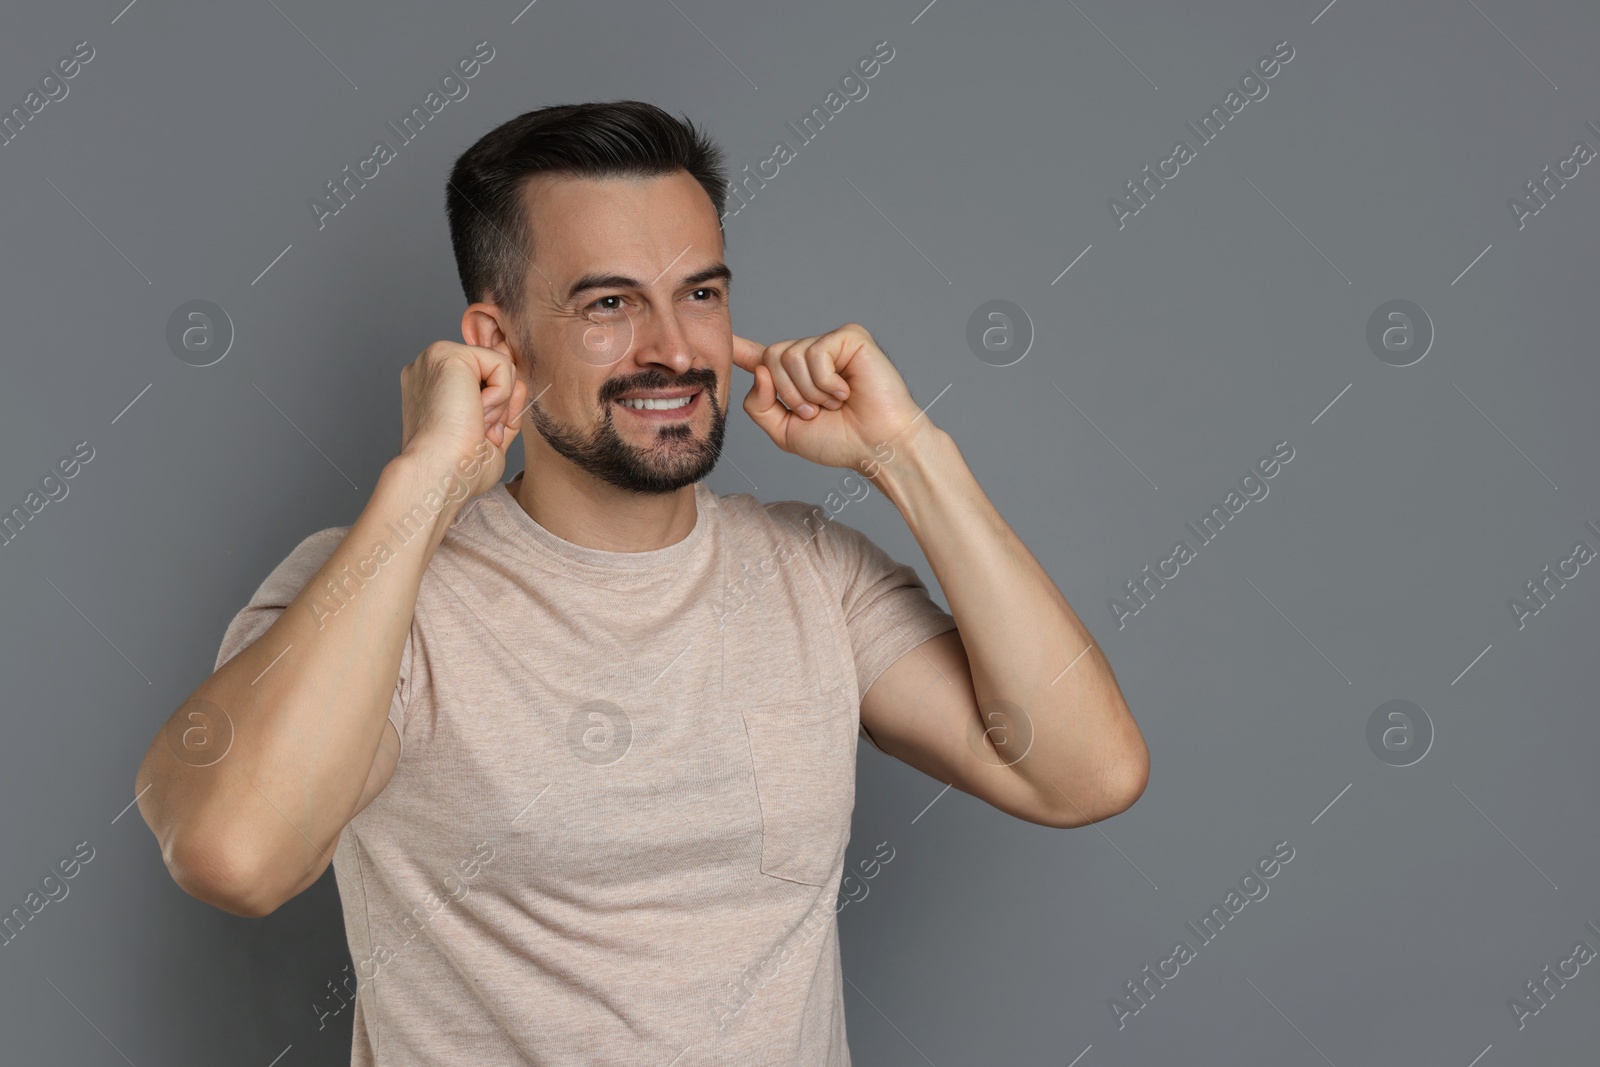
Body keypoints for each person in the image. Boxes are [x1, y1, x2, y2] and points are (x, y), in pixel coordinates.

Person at [135, 100, 1148, 1066]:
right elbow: (235, 853)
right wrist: (422, 487)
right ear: (495, 343)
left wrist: (906, 452)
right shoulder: (369, 586)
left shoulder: (814, 574)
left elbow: (1083, 772)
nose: (673, 348)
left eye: (700, 292)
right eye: (610, 303)